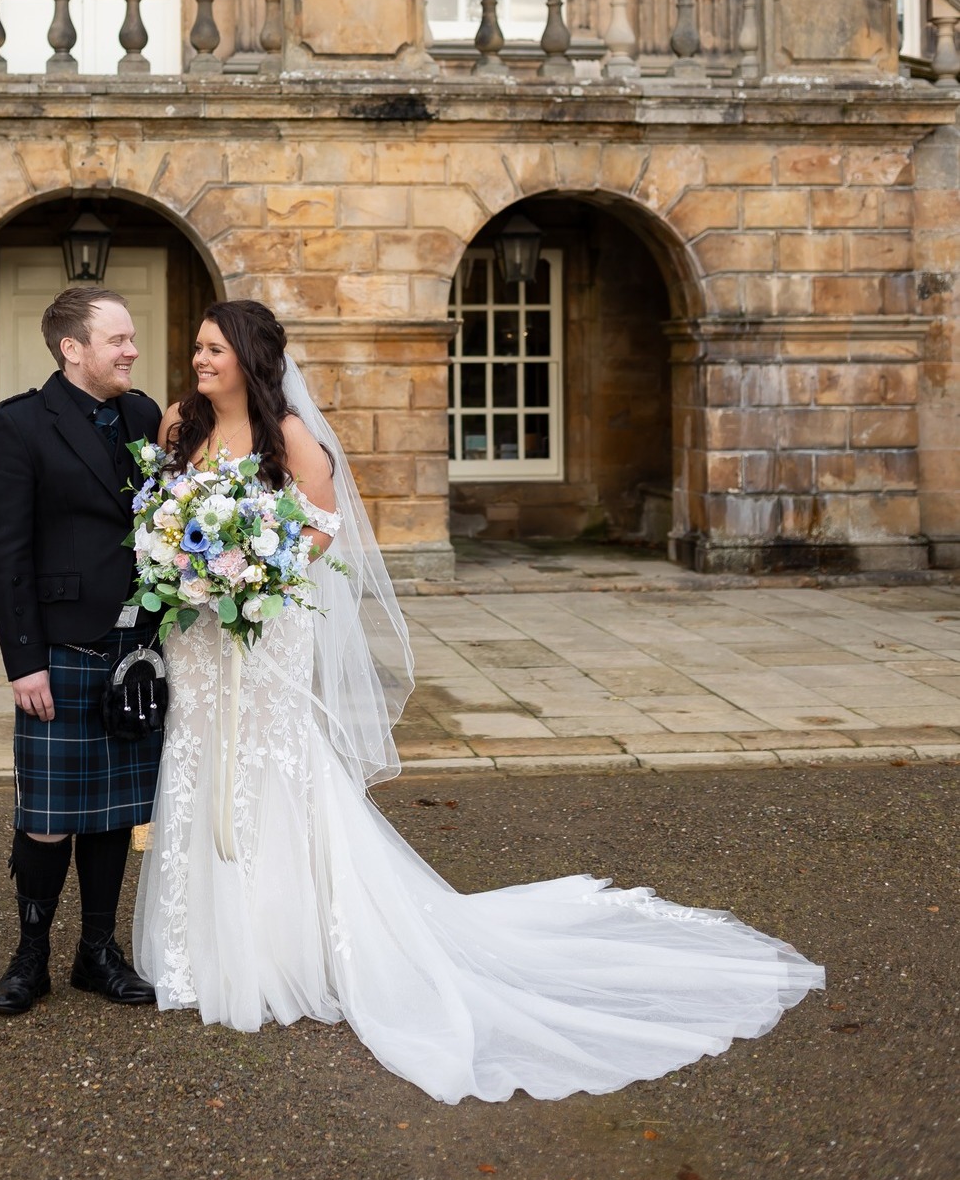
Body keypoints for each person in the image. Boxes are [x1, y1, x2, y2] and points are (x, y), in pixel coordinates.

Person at [133, 300, 825, 1104]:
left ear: (247, 356)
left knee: (269, 771)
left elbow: (320, 529)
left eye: (213, 349)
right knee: (196, 763)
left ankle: (277, 951)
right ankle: (197, 949)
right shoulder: (178, 423)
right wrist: (187, 568)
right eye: (195, 348)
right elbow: (155, 512)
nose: (198, 361)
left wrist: (252, 570)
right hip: (196, 636)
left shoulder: (289, 436)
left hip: (261, 621)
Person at [0, 285, 163, 1016]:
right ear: (72, 349)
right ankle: (30, 958)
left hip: (136, 643)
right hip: (58, 645)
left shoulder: (144, 415)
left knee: (116, 811)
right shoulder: (19, 424)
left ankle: (97, 953)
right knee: (47, 814)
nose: (131, 350)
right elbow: (2, 551)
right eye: (117, 339)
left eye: (130, 337)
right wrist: (22, 659)